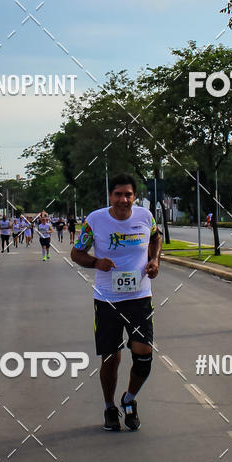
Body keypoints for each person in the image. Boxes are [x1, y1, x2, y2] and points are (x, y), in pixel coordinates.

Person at [71, 173, 161, 432]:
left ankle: (129, 399)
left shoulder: (146, 217)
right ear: (110, 196)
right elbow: (76, 253)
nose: (123, 199)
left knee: (144, 356)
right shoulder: (95, 220)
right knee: (111, 359)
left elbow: (156, 238)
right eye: (118, 194)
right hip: (107, 300)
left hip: (140, 298)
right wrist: (95, 262)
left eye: (128, 195)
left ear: (134, 196)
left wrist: (155, 260)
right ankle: (110, 406)